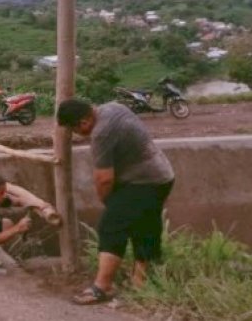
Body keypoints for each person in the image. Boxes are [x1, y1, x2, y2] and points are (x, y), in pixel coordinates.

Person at [57, 99, 175, 305]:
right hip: (162, 175)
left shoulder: (101, 133)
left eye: (74, 129)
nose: (76, 133)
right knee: (145, 225)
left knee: (111, 226)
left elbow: (104, 178)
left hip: (144, 181)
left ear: (83, 122)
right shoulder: (113, 107)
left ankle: (103, 286)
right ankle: (141, 281)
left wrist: (108, 201)